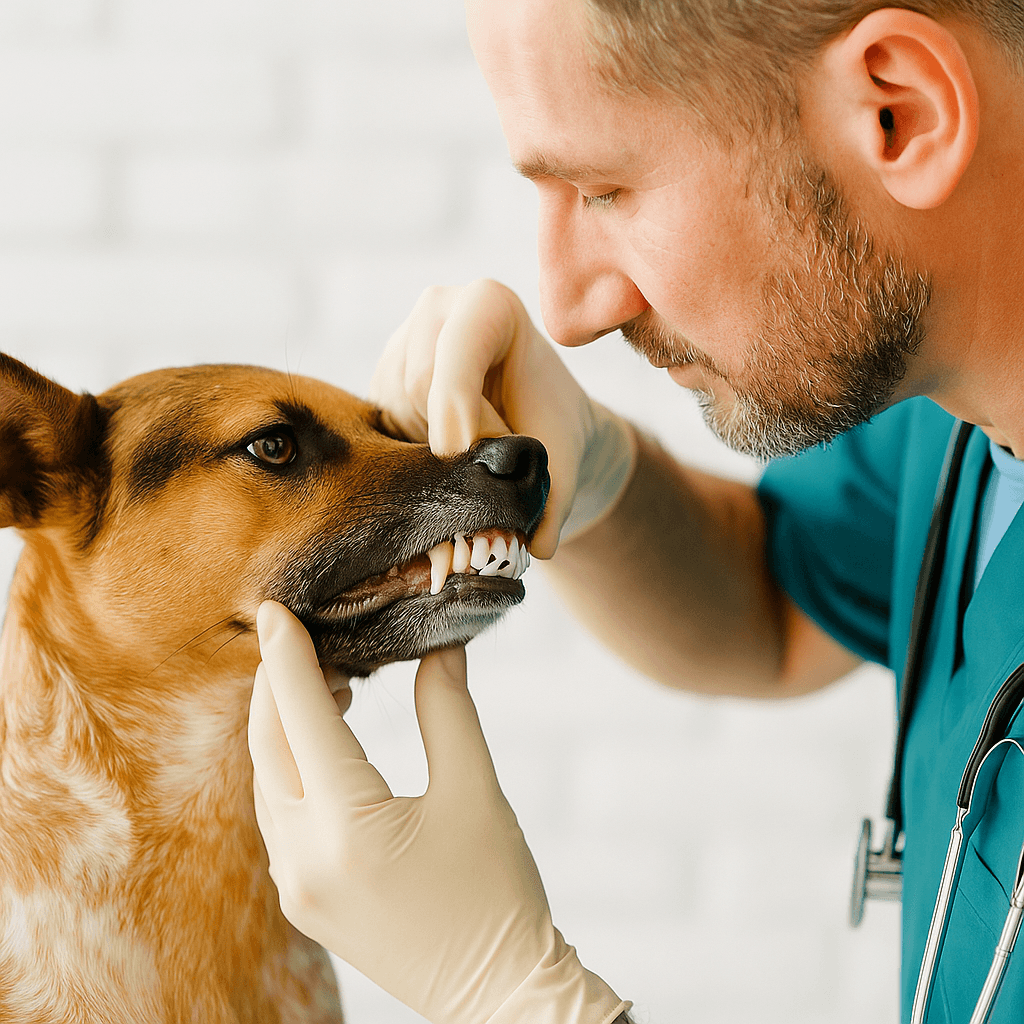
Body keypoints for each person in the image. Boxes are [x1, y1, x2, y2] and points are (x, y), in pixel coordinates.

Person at [246, 0, 1024, 1021]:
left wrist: (518, 996)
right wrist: (602, 474)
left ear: (898, 113)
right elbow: (779, 606)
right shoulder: (945, 391)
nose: (564, 309)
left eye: (604, 189)